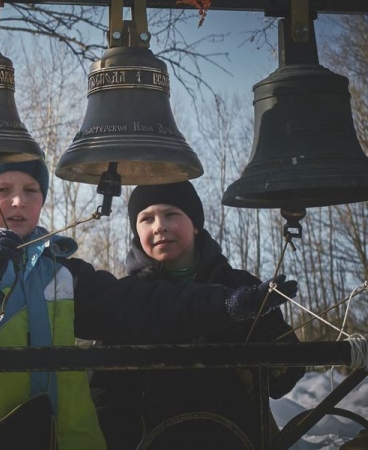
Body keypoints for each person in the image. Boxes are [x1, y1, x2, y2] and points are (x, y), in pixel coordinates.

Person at [0, 160, 299, 450]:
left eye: (31, 190)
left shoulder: (62, 274)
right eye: (2, 190)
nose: (18, 201)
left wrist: (225, 303)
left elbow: (143, 306)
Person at [90, 181, 306, 450]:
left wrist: (261, 338)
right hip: (156, 441)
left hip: (240, 439)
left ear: (195, 224)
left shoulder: (240, 286)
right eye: (146, 219)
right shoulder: (129, 299)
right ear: (136, 230)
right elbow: (106, 396)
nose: (159, 226)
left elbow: (286, 377)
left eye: (171, 214)